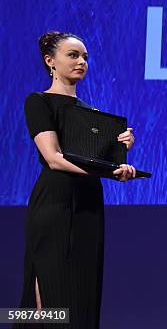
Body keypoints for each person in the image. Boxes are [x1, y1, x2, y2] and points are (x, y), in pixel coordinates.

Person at [18, 31, 137, 328]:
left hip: (88, 205)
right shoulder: (38, 102)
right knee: (47, 292)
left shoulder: (91, 113)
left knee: (83, 293)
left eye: (85, 56)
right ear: (50, 61)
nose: (82, 61)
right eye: (73, 55)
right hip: (54, 203)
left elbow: (102, 163)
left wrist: (122, 156)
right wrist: (107, 171)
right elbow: (53, 157)